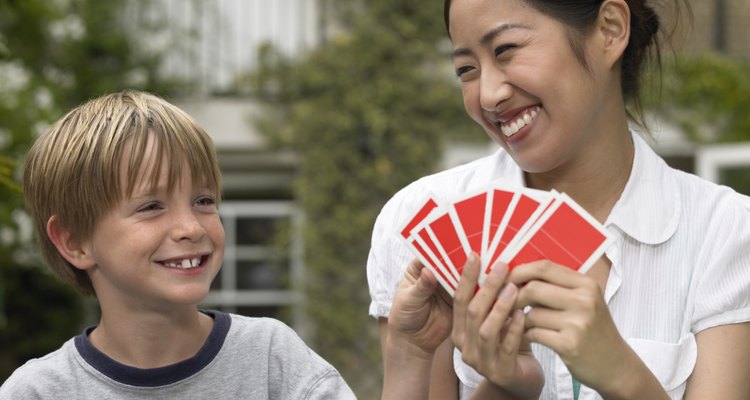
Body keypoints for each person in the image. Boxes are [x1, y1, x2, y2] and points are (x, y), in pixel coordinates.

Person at [369, 0, 750, 399]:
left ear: (610, 29)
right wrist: (506, 388)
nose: (488, 96)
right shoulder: (423, 218)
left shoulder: (724, 231)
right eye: (467, 70)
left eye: (506, 50)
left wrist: (622, 374)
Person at [0, 90, 356, 399]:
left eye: (203, 200)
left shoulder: (272, 360)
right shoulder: (37, 392)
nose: (191, 227)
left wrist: (405, 357)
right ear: (74, 241)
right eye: (151, 207)